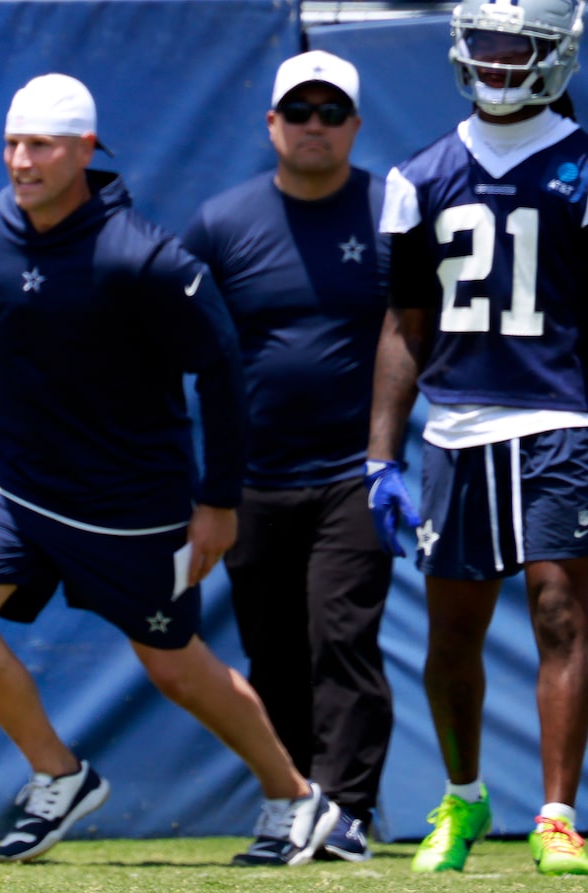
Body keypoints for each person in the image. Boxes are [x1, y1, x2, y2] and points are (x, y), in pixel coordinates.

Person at [0, 73, 366, 866]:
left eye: (39, 145)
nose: (21, 161)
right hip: (13, 482)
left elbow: (221, 371)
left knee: (174, 668)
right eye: (11, 144)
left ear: (83, 150)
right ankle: (58, 774)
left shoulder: (145, 258)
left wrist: (216, 502)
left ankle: (295, 799)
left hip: (132, 505)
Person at [368, 0, 588, 877]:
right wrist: (380, 453)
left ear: (555, 56)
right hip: (456, 428)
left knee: (559, 612)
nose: (498, 64)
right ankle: (462, 800)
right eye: (485, 46)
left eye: (517, 48)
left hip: (561, 419)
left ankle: (557, 815)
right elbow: (402, 324)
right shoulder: (418, 173)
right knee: (450, 632)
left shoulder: (579, 164)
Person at [180, 51, 392, 840]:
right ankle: (292, 800)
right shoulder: (220, 223)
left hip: (356, 474)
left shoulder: (389, 213)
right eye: (297, 112)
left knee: (342, 639)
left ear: (354, 127)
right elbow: (179, 344)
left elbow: (421, 331)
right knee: (271, 651)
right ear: (270, 124)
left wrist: (390, 455)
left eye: (330, 112)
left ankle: (348, 814)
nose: (313, 126)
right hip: (251, 478)